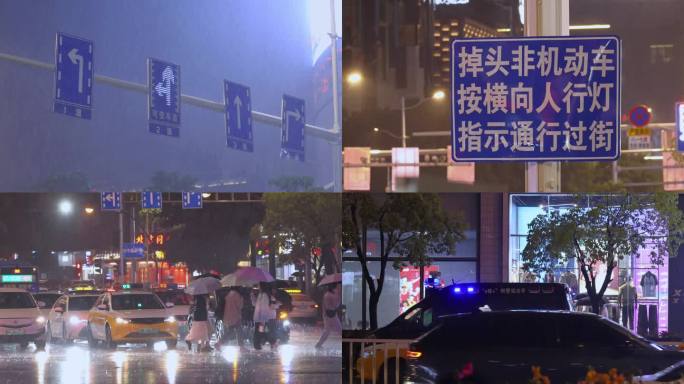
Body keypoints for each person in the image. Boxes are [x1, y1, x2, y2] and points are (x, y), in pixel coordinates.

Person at [252, 282, 280, 350]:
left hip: (263, 318)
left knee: (261, 332)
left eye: (259, 286)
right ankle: (271, 343)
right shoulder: (261, 295)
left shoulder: (264, 295)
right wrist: (252, 296)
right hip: (261, 318)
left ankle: (265, 344)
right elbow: (256, 305)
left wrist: (263, 320)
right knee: (261, 332)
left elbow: (264, 307)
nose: (258, 287)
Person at [316, 283, 341, 349]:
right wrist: (338, 298)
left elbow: (326, 306)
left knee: (327, 330)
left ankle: (319, 344)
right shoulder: (330, 295)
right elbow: (335, 305)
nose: (338, 288)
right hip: (331, 314)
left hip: (328, 314)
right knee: (337, 329)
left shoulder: (327, 294)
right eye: (337, 287)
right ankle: (318, 344)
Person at [222, 286, 245, 350]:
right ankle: (241, 347)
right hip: (235, 316)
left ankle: (219, 343)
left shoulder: (229, 294)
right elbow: (240, 306)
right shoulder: (237, 295)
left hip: (229, 315)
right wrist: (241, 299)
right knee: (238, 331)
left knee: (232, 331)